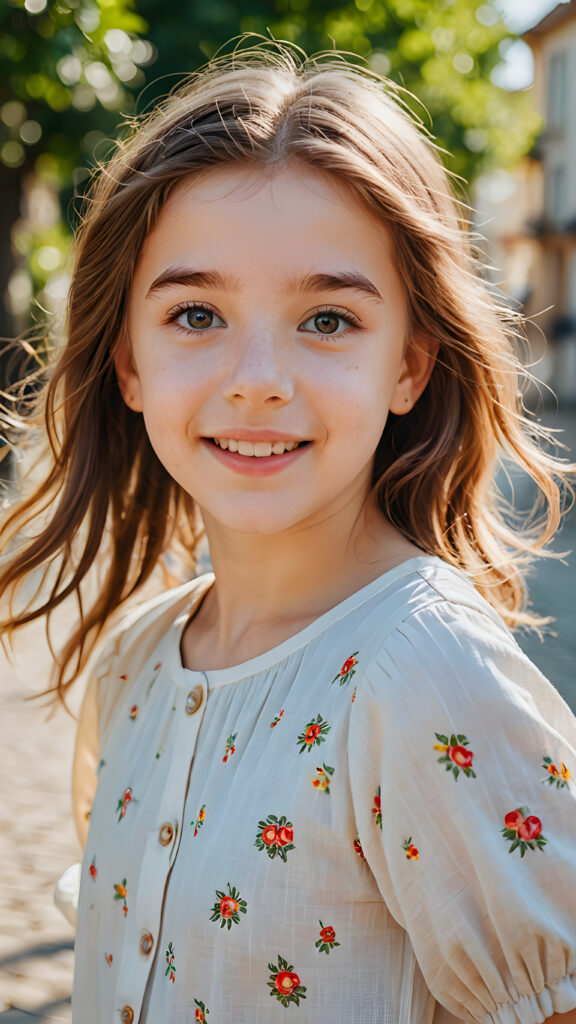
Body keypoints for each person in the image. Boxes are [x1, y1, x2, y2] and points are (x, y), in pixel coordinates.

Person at [1, 41, 575, 1024]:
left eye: (328, 320)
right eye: (195, 314)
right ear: (128, 364)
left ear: (410, 366)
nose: (258, 379)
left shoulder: (427, 673)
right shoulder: (136, 663)